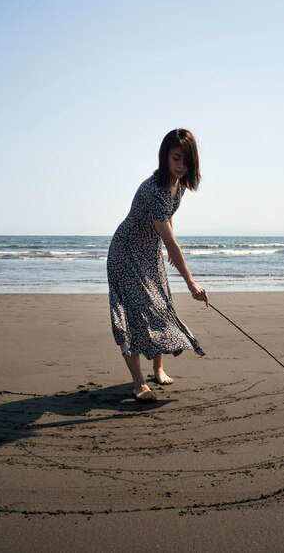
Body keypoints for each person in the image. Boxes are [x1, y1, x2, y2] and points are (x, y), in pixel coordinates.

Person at [107, 128, 208, 402]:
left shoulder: (180, 187)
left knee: (161, 305)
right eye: (176, 158)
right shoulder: (153, 190)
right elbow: (172, 241)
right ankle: (139, 383)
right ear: (165, 157)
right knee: (133, 315)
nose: (180, 166)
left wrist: (168, 248)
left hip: (149, 252)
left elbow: (168, 222)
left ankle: (158, 368)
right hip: (126, 254)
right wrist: (191, 283)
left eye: (186, 161)